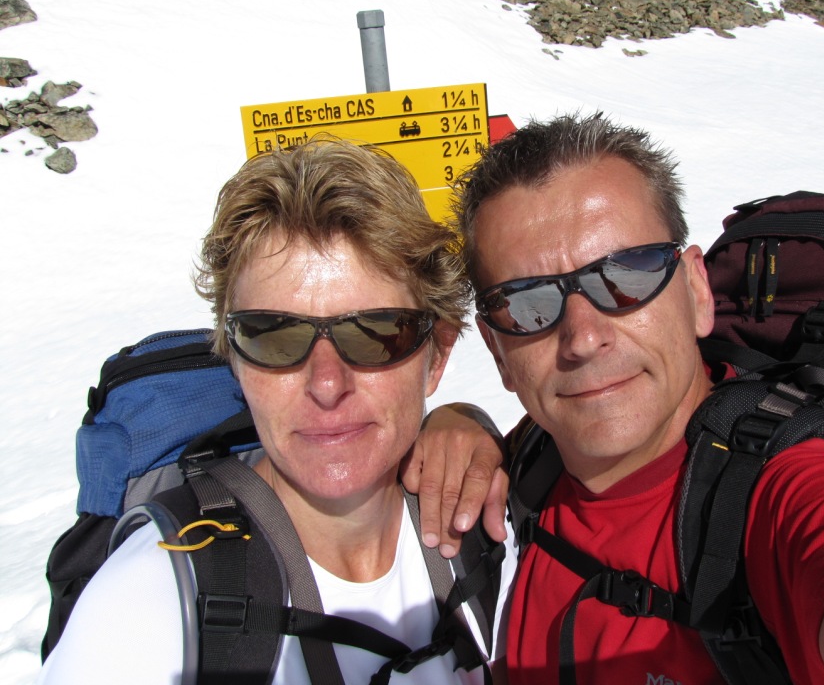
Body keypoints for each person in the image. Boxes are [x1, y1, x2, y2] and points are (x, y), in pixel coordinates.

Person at [450, 112, 824, 685]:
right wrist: (457, 421)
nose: (582, 338)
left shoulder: (792, 494)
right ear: (498, 351)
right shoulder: (517, 476)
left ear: (697, 292)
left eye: (626, 274)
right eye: (526, 303)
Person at [39, 135, 515, 684]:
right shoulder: (143, 613)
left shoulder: (499, 531)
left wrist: (470, 422)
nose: (327, 383)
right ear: (235, 360)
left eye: (376, 332)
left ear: (438, 356)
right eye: (273, 336)